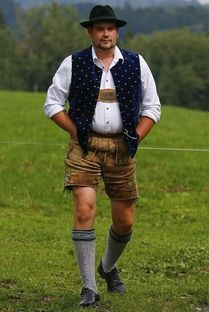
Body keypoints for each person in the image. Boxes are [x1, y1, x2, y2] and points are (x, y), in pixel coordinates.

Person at [43, 5, 161, 307]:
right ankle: (89, 287)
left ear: (116, 32)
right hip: (84, 147)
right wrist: (75, 132)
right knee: (85, 209)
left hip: (123, 148)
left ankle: (107, 267)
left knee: (125, 222)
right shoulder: (74, 62)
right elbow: (52, 104)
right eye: (99, 28)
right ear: (90, 32)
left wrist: (136, 136)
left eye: (110, 28)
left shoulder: (135, 63)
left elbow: (152, 107)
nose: (105, 33)